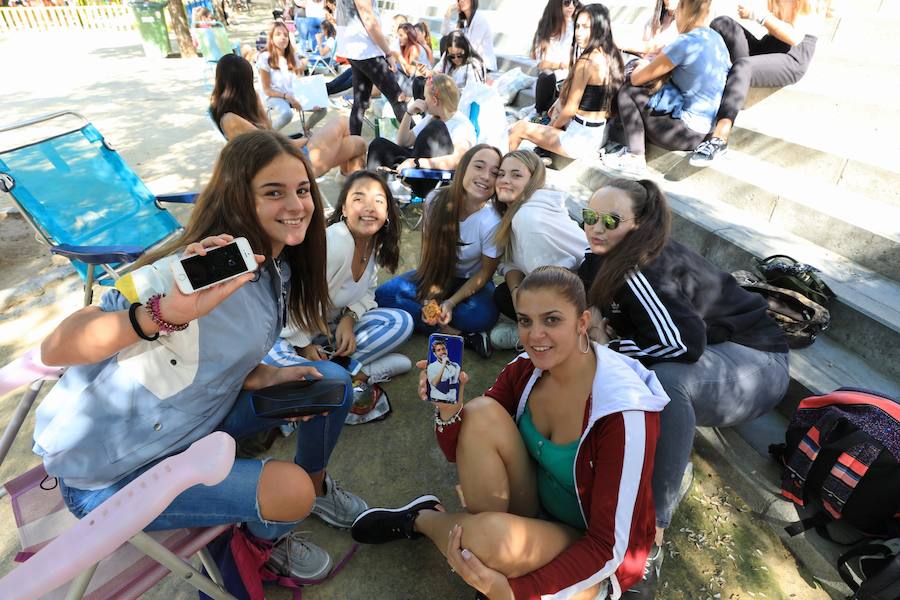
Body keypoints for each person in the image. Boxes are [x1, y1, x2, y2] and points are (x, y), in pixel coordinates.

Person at [32, 131, 368, 580]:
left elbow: (212, 356)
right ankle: (257, 545)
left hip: (198, 423)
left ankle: (317, 483)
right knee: (291, 493)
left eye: (302, 189)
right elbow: (56, 346)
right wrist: (162, 315)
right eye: (274, 192)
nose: (297, 205)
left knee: (332, 383)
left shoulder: (273, 269)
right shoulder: (177, 274)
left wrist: (261, 375)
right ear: (238, 199)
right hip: (115, 476)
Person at [352, 266, 668, 599]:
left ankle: (422, 520)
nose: (534, 336)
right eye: (525, 320)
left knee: (487, 543)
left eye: (552, 320)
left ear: (582, 322)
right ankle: (464, 539)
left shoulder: (625, 414)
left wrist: (516, 592)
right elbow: (460, 449)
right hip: (533, 505)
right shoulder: (525, 369)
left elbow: (608, 547)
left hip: (590, 542)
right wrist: (449, 411)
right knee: (479, 413)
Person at [577, 178, 789, 595]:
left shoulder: (640, 266)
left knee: (667, 382)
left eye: (610, 220)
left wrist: (609, 341)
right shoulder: (601, 255)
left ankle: (651, 535)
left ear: (637, 226)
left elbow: (685, 343)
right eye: (589, 216)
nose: (595, 227)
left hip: (759, 363)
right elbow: (577, 292)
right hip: (719, 350)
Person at [281, 171, 414, 393]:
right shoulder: (336, 242)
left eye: (378, 201)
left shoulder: (374, 244)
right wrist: (303, 347)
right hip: (290, 333)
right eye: (359, 199)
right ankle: (358, 374)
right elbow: (296, 300)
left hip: (328, 331)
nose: (370, 207)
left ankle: (332, 375)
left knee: (401, 322)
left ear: (388, 212)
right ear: (344, 208)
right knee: (273, 367)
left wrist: (349, 320)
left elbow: (367, 290)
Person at [375, 145, 502, 358]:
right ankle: (456, 333)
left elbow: (485, 274)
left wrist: (450, 303)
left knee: (482, 315)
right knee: (383, 296)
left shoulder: (492, 221)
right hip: (435, 275)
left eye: (494, 173)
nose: (486, 177)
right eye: (479, 167)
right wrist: (430, 300)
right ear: (463, 168)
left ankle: (445, 321)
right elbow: (428, 252)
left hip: (472, 284)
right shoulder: (435, 200)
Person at [690, 0, 829, 166]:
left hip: (793, 57)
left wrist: (758, 15)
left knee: (743, 67)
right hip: (770, 44)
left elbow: (794, 38)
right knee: (722, 23)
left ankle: (719, 138)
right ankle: (710, 87)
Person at [602, 0, 730, 176]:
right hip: (706, 131)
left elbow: (637, 79)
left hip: (684, 133)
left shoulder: (685, 42)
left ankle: (635, 158)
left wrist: (642, 63)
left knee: (628, 91)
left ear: (684, 8)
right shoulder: (716, 39)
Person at [488, 150, 587, 350]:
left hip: (581, 291)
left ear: (533, 181)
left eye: (516, 175)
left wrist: (527, 313)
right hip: (551, 281)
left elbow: (551, 286)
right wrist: (517, 294)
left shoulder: (528, 218)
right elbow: (511, 262)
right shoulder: (513, 211)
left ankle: (553, 339)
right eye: (501, 174)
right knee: (503, 294)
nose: (505, 180)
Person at [210, 54, 366, 178]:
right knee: (343, 124)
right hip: (287, 168)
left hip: (287, 157)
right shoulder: (231, 119)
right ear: (244, 82)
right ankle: (352, 191)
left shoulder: (239, 110)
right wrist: (303, 141)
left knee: (357, 143)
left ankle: (350, 190)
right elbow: (270, 146)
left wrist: (256, 104)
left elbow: (269, 135)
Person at [508, 3, 624, 161]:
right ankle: (540, 155)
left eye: (585, 27)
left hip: (579, 139)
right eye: (577, 26)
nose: (579, 33)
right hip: (598, 134)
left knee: (519, 128)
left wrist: (549, 128)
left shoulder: (586, 62)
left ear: (598, 28)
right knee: (554, 111)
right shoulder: (611, 56)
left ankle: (508, 170)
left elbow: (570, 110)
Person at [366, 73, 476, 198]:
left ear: (434, 101)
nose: (423, 101)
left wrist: (416, 163)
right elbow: (403, 142)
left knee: (436, 126)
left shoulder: (462, 125)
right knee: (378, 144)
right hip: (414, 167)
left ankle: (397, 186)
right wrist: (408, 113)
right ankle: (371, 194)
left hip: (432, 177)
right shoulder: (431, 116)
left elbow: (457, 161)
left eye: (425, 98)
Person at [335, 0, 407, 136]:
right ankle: (418, 145)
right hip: (366, 49)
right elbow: (369, 20)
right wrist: (388, 53)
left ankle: (354, 148)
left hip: (354, 49)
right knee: (397, 98)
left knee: (360, 103)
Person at [530, 0, 580, 120]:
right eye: (567, 2)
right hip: (550, 81)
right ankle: (541, 114)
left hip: (567, 81)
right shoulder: (546, 26)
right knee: (547, 76)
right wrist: (561, 65)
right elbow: (541, 64)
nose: (572, 6)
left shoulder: (575, 25)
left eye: (575, 2)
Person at [441, 0, 496, 72]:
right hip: (466, 60)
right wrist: (448, 12)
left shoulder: (480, 19)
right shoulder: (463, 20)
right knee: (444, 40)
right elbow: (445, 33)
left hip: (481, 65)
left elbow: (472, 47)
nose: (462, 1)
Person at [394, 22, 434, 97]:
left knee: (391, 69)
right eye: (398, 36)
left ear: (409, 36)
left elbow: (411, 71)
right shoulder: (410, 47)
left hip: (417, 87)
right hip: (416, 85)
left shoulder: (414, 48)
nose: (399, 38)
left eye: (401, 35)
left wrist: (398, 57)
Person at [426, 338, 461, 403]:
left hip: (452, 400)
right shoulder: (431, 366)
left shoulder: (455, 366)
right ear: (434, 353)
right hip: (438, 399)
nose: (442, 352)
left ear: (446, 350)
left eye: (443, 349)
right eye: (438, 350)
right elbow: (434, 383)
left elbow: (457, 382)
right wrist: (443, 364)